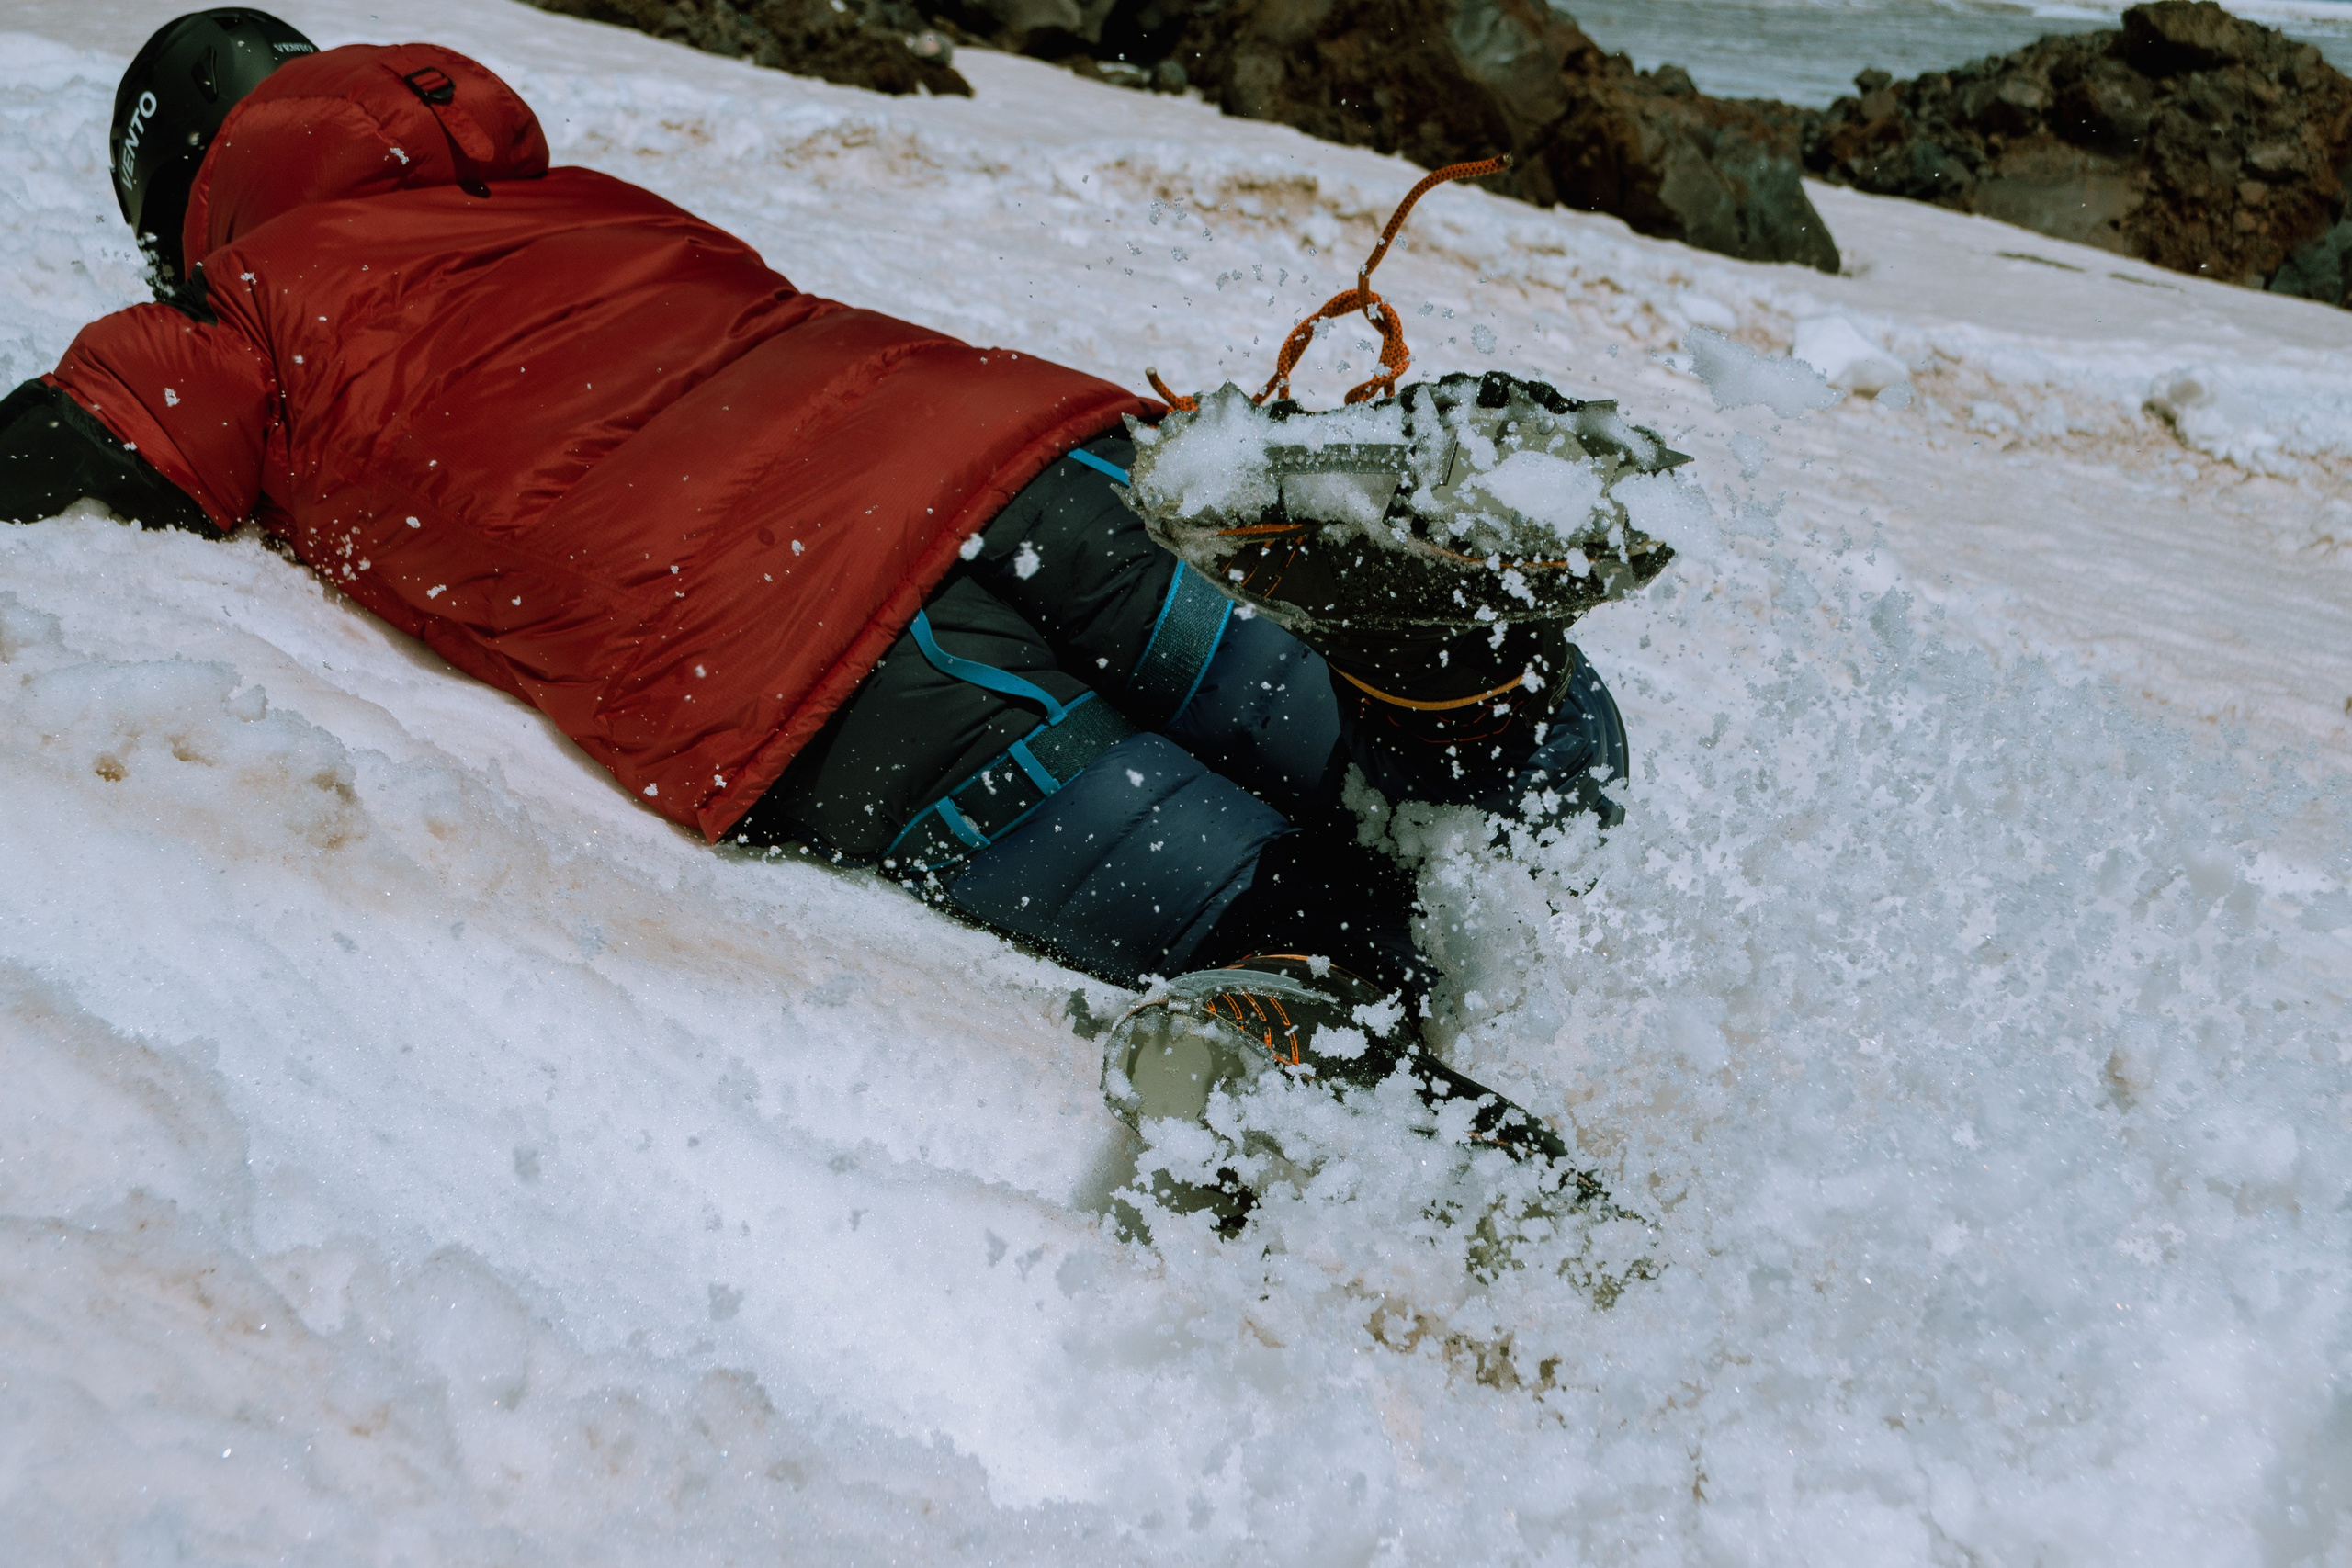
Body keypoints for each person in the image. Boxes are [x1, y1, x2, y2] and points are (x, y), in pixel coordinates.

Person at [1, 10, 1652, 1194]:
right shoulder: (572, 202)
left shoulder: (244, 306)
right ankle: (1450, 666)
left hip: (836, 660)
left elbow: (73, 459)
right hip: (1048, 460)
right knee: (1512, 792)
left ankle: (1294, 1047)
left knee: (1311, 936)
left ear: (181, 202)